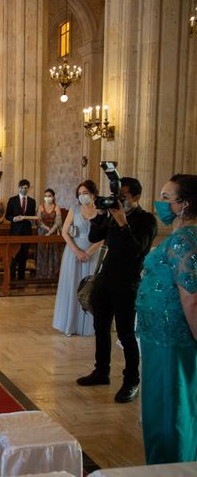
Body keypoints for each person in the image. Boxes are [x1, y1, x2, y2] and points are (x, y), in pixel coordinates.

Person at [77, 177, 158, 402]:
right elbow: (94, 236)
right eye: (117, 197)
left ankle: (131, 381)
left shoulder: (146, 220)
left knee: (125, 334)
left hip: (127, 284)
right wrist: (102, 215)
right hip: (105, 280)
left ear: (136, 197)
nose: (119, 201)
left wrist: (123, 222)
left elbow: (137, 250)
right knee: (100, 328)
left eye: (123, 197)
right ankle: (101, 371)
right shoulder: (112, 216)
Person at [136, 174, 197, 464]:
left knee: (169, 410)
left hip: (171, 341)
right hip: (157, 338)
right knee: (158, 407)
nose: (160, 202)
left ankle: (171, 468)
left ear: (184, 204)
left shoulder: (186, 238)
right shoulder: (177, 236)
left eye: (166, 197)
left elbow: (191, 297)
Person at [52, 180, 103, 336]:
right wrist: (77, 251)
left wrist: (88, 252)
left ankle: (88, 325)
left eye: (85, 193)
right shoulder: (75, 209)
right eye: (80, 194)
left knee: (90, 288)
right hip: (73, 253)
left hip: (93, 252)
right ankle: (70, 324)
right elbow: (65, 232)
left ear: (93, 194)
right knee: (73, 286)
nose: (82, 196)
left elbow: (104, 236)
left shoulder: (101, 212)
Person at [5, 179, 37, 280]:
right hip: (15, 231)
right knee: (14, 255)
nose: (24, 189)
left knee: (24, 255)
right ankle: (12, 277)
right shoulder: (12, 200)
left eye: (26, 188)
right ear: (19, 188)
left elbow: (32, 216)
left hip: (27, 231)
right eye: (22, 188)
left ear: (28, 189)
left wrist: (32, 219)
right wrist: (14, 218)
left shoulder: (32, 201)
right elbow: (7, 216)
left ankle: (21, 278)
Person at [35, 188, 63, 279]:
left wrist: (50, 231)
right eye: (46, 196)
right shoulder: (40, 207)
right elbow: (38, 220)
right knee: (42, 252)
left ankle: (53, 274)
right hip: (42, 231)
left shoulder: (57, 207)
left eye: (49, 196)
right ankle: (41, 274)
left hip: (53, 232)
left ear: (53, 197)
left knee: (53, 252)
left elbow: (58, 222)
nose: (48, 198)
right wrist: (46, 228)